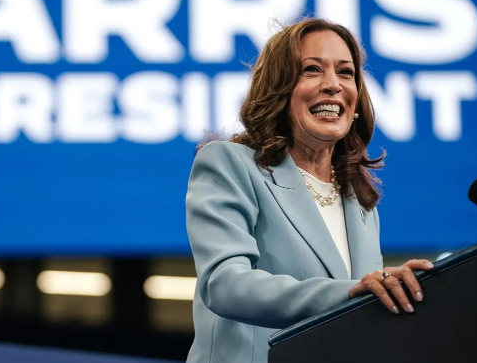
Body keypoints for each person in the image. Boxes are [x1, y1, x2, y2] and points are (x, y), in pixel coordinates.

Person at [185, 18, 435, 363]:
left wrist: (400, 292)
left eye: (346, 73)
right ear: (278, 89)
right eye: (312, 70)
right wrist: (353, 292)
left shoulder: (358, 200)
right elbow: (224, 285)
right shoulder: (231, 163)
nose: (333, 85)